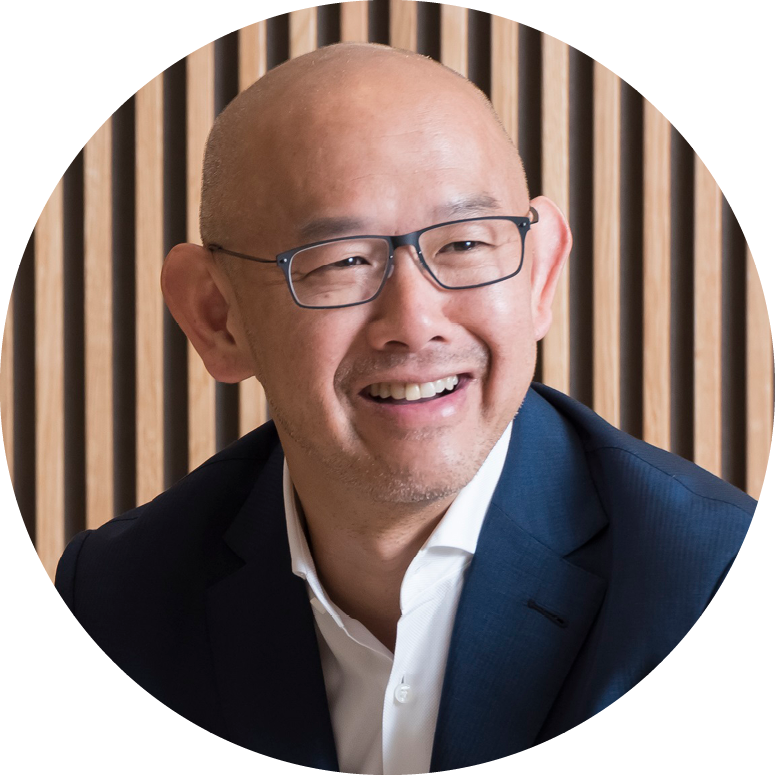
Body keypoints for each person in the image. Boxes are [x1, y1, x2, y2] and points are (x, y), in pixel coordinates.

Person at [55, 43, 754, 774]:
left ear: (540, 275)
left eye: (464, 244)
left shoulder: (718, 591)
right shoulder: (115, 605)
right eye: (342, 260)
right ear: (216, 318)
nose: (415, 323)